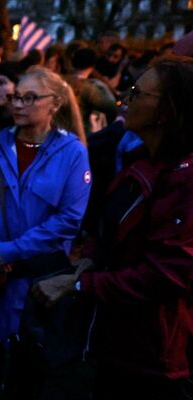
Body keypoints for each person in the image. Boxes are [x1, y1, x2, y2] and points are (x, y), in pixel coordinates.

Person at [33, 56, 193, 400]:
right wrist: (90, 258)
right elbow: (111, 234)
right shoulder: (143, 163)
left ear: (166, 110)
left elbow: (167, 274)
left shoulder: (185, 179)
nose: (125, 100)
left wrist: (79, 283)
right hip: (119, 343)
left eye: (136, 92)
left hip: (156, 356)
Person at [0, 66, 91, 398]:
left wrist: (10, 250)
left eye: (29, 98)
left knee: (29, 372)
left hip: (36, 283)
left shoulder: (72, 153)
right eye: (17, 96)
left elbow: (68, 220)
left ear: (55, 103)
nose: (18, 104)